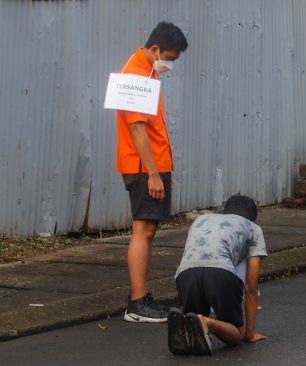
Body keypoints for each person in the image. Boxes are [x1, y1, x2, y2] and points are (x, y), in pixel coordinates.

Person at [116, 22, 188, 323]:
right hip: (145, 167)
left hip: (152, 165)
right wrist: (154, 174)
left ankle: (141, 298)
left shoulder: (146, 72)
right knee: (143, 231)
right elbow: (137, 131)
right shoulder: (134, 76)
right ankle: (137, 303)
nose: (169, 63)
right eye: (169, 57)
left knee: (148, 230)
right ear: (155, 49)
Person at [168, 195, 268, 356]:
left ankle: (184, 324)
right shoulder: (252, 228)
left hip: (185, 274)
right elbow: (251, 286)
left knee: (193, 317)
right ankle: (207, 322)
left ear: (225, 211)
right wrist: (249, 333)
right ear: (253, 218)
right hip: (219, 273)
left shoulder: (201, 220)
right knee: (236, 335)